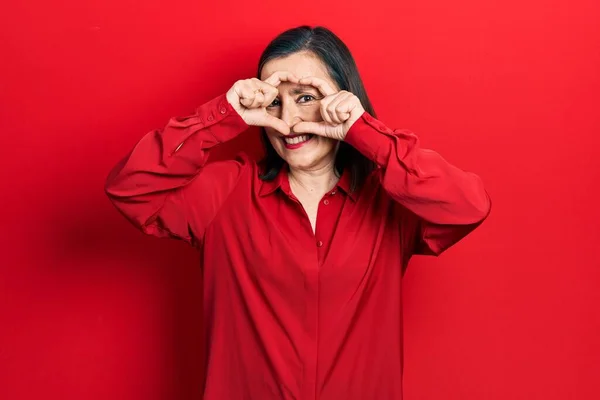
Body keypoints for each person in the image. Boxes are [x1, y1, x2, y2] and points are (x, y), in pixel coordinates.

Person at [105, 25, 491, 400]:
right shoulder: (224, 192)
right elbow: (130, 188)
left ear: (343, 98)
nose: (288, 120)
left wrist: (365, 132)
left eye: (305, 97)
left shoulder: (390, 199)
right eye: (274, 99)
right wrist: (222, 116)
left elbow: (467, 206)